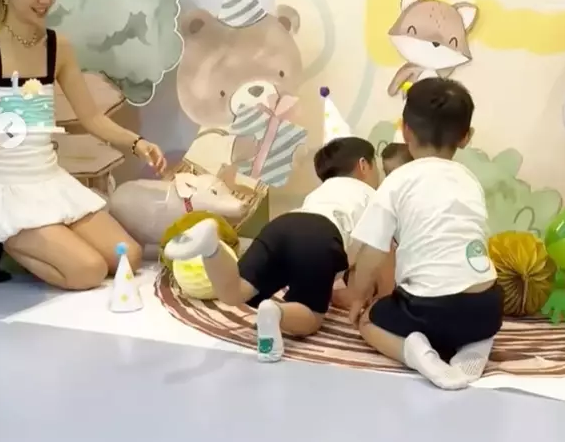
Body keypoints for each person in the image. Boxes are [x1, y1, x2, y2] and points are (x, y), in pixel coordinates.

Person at [0, 0, 167, 289]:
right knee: (87, 271)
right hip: (1, 189)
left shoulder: (58, 47)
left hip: (47, 180)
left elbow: (92, 117)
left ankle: (43, 237)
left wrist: (137, 142)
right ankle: (4, 235)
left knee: (129, 256)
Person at [164, 136, 380, 361]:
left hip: (283, 225)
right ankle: (276, 312)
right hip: (321, 234)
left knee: (234, 291)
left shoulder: (322, 191)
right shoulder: (375, 197)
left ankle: (212, 248)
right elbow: (375, 257)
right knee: (311, 317)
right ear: (364, 165)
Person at [350, 78, 503, 391]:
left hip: (427, 310)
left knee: (369, 320)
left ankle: (416, 353)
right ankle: (476, 343)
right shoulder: (469, 180)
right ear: (466, 137)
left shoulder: (397, 181)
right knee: (471, 313)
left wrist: (358, 298)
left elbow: (372, 254)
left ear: (405, 130)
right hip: (487, 307)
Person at [331, 142, 413, 310]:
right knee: (372, 244)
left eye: (395, 173)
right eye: (386, 173)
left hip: (407, 270)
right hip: (373, 265)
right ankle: (363, 296)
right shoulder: (383, 198)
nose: (389, 180)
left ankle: (379, 298)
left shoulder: (414, 199)